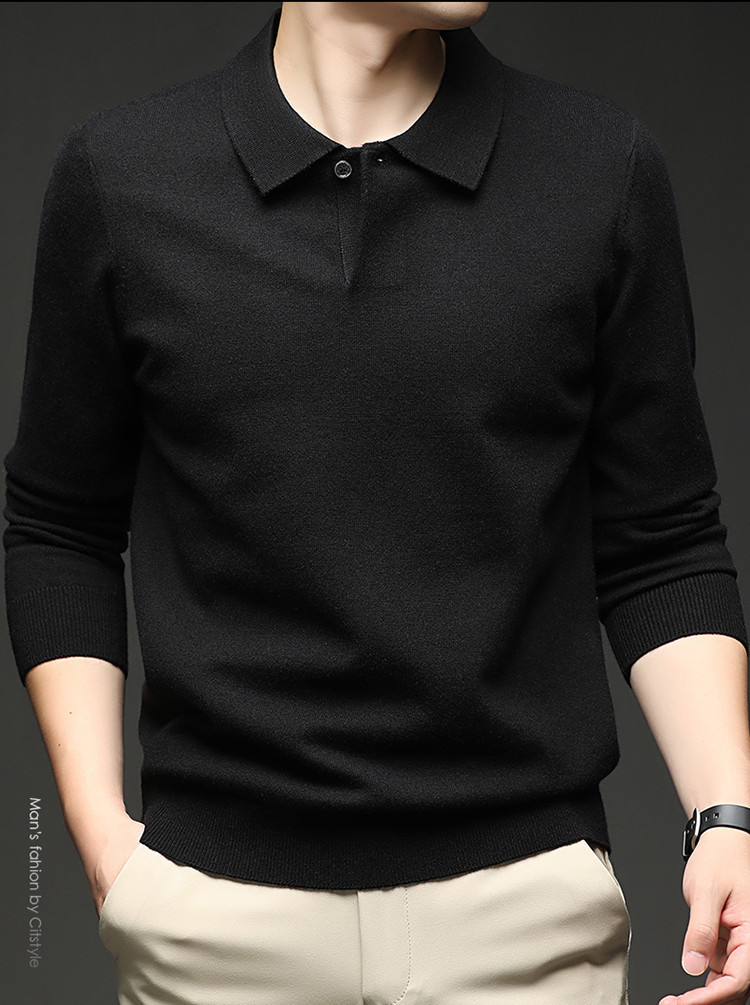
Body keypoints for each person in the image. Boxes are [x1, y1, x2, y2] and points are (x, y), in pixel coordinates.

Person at [4, 2, 750, 1003]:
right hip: (216, 927)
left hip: (523, 921)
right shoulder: (123, 175)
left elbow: (662, 539)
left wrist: (729, 818)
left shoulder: (599, 167)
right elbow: (59, 524)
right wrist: (97, 835)